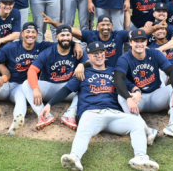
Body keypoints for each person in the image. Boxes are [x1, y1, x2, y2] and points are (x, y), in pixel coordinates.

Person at [40, 41, 160, 171]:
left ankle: (141, 158)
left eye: (101, 53)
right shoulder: (83, 72)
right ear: (89, 56)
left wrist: (136, 91)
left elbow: (130, 85)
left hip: (114, 114)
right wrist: (49, 104)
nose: (99, 56)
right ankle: (74, 157)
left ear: (105, 54)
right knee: (84, 128)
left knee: (137, 122)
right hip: (92, 112)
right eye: (95, 54)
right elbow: (66, 90)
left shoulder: (114, 72)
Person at [0, 23, 52, 135]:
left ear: (37, 34)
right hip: (7, 83)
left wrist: (76, 45)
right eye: (27, 32)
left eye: (33, 32)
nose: (30, 34)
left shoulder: (41, 47)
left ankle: (17, 120)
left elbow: (62, 43)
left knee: (21, 98)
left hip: (22, 86)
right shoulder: (12, 47)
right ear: (22, 34)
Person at [116, 29, 173, 142]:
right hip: (139, 99)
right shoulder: (124, 58)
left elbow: (172, 72)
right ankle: (146, 129)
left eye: (142, 41)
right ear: (130, 43)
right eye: (136, 41)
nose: (139, 44)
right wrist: (129, 98)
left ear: (146, 42)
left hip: (156, 95)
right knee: (122, 97)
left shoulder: (155, 53)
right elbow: (118, 79)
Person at [22, 24, 82, 131]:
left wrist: (82, 64)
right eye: (62, 35)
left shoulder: (76, 50)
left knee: (85, 84)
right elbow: (32, 70)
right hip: (49, 87)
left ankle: (70, 114)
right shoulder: (48, 52)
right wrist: (36, 88)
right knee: (26, 84)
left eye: (68, 35)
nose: (65, 38)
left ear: (71, 37)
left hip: (67, 89)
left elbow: (89, 62)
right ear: (57, 37)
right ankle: (44, 115)